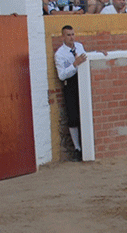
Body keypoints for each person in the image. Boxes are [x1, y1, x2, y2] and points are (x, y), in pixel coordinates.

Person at [54, 25, 90, 161]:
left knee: (84, 115)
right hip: (70, 85)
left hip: (82, 82)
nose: (71, 37)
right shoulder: (59, 54)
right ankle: (77, 148)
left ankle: (86, 146)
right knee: (73, 117)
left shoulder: (79, 47)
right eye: (68, 35)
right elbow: (62, 75)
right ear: (63, 37)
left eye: (73, 34)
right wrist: (75, 64)